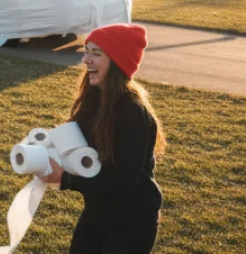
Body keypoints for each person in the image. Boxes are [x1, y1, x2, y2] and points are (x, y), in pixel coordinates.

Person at [39, 23, 166, 254]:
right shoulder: (93, 98)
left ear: (118, 62)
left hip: (132, 221)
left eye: (96, 54)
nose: (86, 59)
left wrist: (65, 179)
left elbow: (124, 181)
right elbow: (76, 144)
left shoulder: (133, 112)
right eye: (86, 51)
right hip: (98, 212)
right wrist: (43, 150)